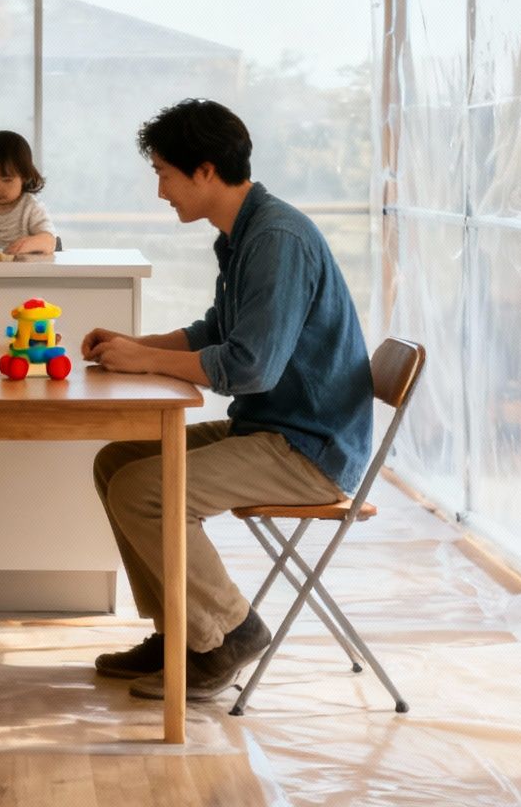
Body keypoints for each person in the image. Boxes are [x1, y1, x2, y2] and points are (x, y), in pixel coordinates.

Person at [82, 98, 373, 703]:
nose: (161, 191)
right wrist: (134, 344)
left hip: (307, 447)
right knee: (116, 462)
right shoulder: (241, 235)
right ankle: (180, 634)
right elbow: (219, 329)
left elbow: (251, 366)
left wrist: (147, 360)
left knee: (144, 490)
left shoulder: (277, 239)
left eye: (164, 173)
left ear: (206, 170)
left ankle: (228, 636)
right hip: (271, 427)